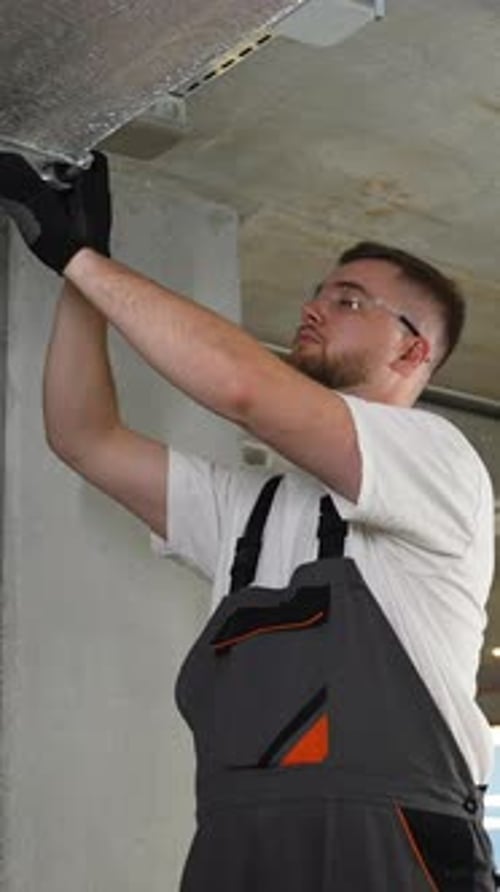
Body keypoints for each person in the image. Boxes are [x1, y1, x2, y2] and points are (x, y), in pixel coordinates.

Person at [0, 151, 497, 890]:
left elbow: (243, 390)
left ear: (413, 348)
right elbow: (83, 436)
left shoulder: (438, 460)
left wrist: (80, 258)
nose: (315, 308)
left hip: (388, 841)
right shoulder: (252, 511)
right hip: (236, 841)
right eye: (318, 293)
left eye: (349, 301)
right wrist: (82, 283)